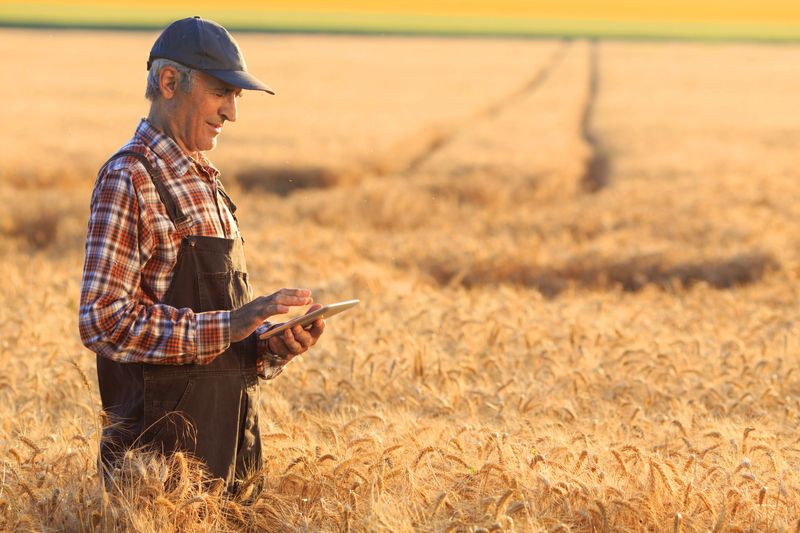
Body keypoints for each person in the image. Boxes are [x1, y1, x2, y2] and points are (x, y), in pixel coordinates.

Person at [78, 16, 325, 491]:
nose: (233, 112)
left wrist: (267, 345)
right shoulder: (130, 177)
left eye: (237, 97)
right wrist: (231, 324)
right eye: (221, 93)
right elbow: (102, 320)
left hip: (231, 459)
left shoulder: (202, 178)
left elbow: (209, 333)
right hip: (158, 478)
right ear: (170, 82)